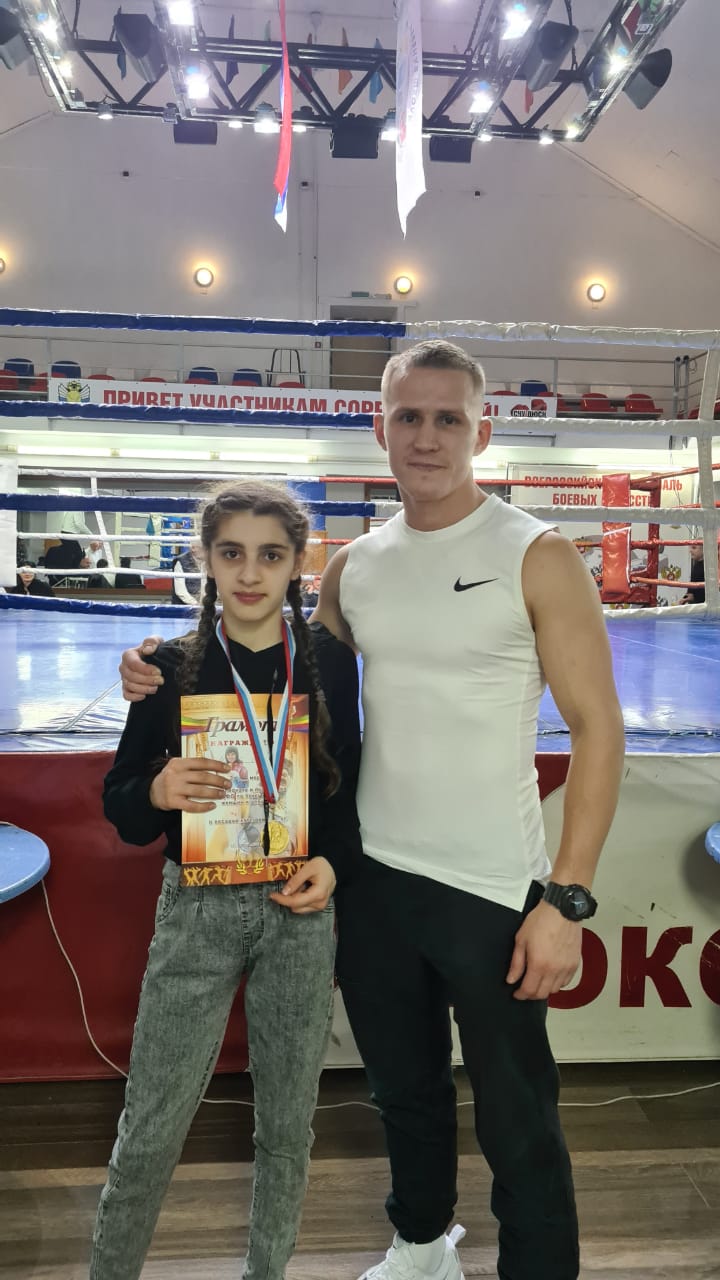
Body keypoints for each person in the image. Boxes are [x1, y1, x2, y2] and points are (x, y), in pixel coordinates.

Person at [118, 342, 625, 1280]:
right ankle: (422, 1249)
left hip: (492, 885)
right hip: (374, 880)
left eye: (448, 418)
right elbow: (274, 671)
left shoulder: (539, 555)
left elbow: (600, 730)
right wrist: (151, 668)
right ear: (380, 427)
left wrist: (568, 898)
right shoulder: (354, 567)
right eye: (408, 416)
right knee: (405, 1092)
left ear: (482, 429)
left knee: (518, 1117)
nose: (427, 437)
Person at [93, 479, 362, 1280]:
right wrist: (155, 789)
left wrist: (334, 863)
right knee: (151, 1126)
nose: (250, 573)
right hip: (198, 913)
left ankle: (267, 1272)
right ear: (206, 560)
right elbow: (121, 804)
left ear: (299, 564)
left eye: (270, 555)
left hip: (297, 913)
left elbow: (348, 791)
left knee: (287, 1126)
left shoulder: (331, 664)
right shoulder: (167, 667)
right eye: (232, 553)